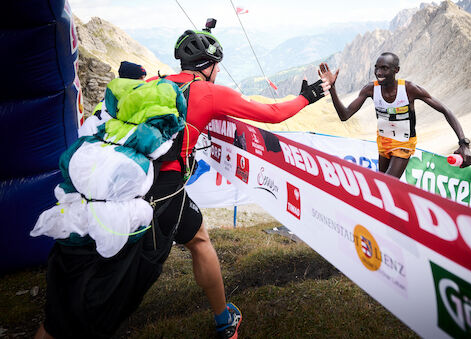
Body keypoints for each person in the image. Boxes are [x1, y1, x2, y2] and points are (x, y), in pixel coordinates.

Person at [36, 26, 330, 339]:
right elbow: (272, 113)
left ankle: (223, 318)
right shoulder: (210, 92)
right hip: (164, 189)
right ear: (212, 65)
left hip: (127, 178)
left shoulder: (157, 84)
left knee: (198, 236)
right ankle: (60, 326)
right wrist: (310, 94)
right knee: (109, 283)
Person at [318, 53, 471, 178]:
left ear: (396, 70)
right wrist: (332, 88)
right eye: (376, 68)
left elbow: (445, 110)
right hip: (384, 142)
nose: (379, 73)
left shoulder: (409, 89)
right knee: (381, 182)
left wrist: (463, 143)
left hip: (404, 144)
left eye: (384, 68)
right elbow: (345, 115)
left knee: (387, 183)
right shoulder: (370, 89)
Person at [78, 60, 148, 137]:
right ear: (131, 79)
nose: (143, 82)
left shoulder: (110, 95)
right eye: (141, 78)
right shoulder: (131, 100)